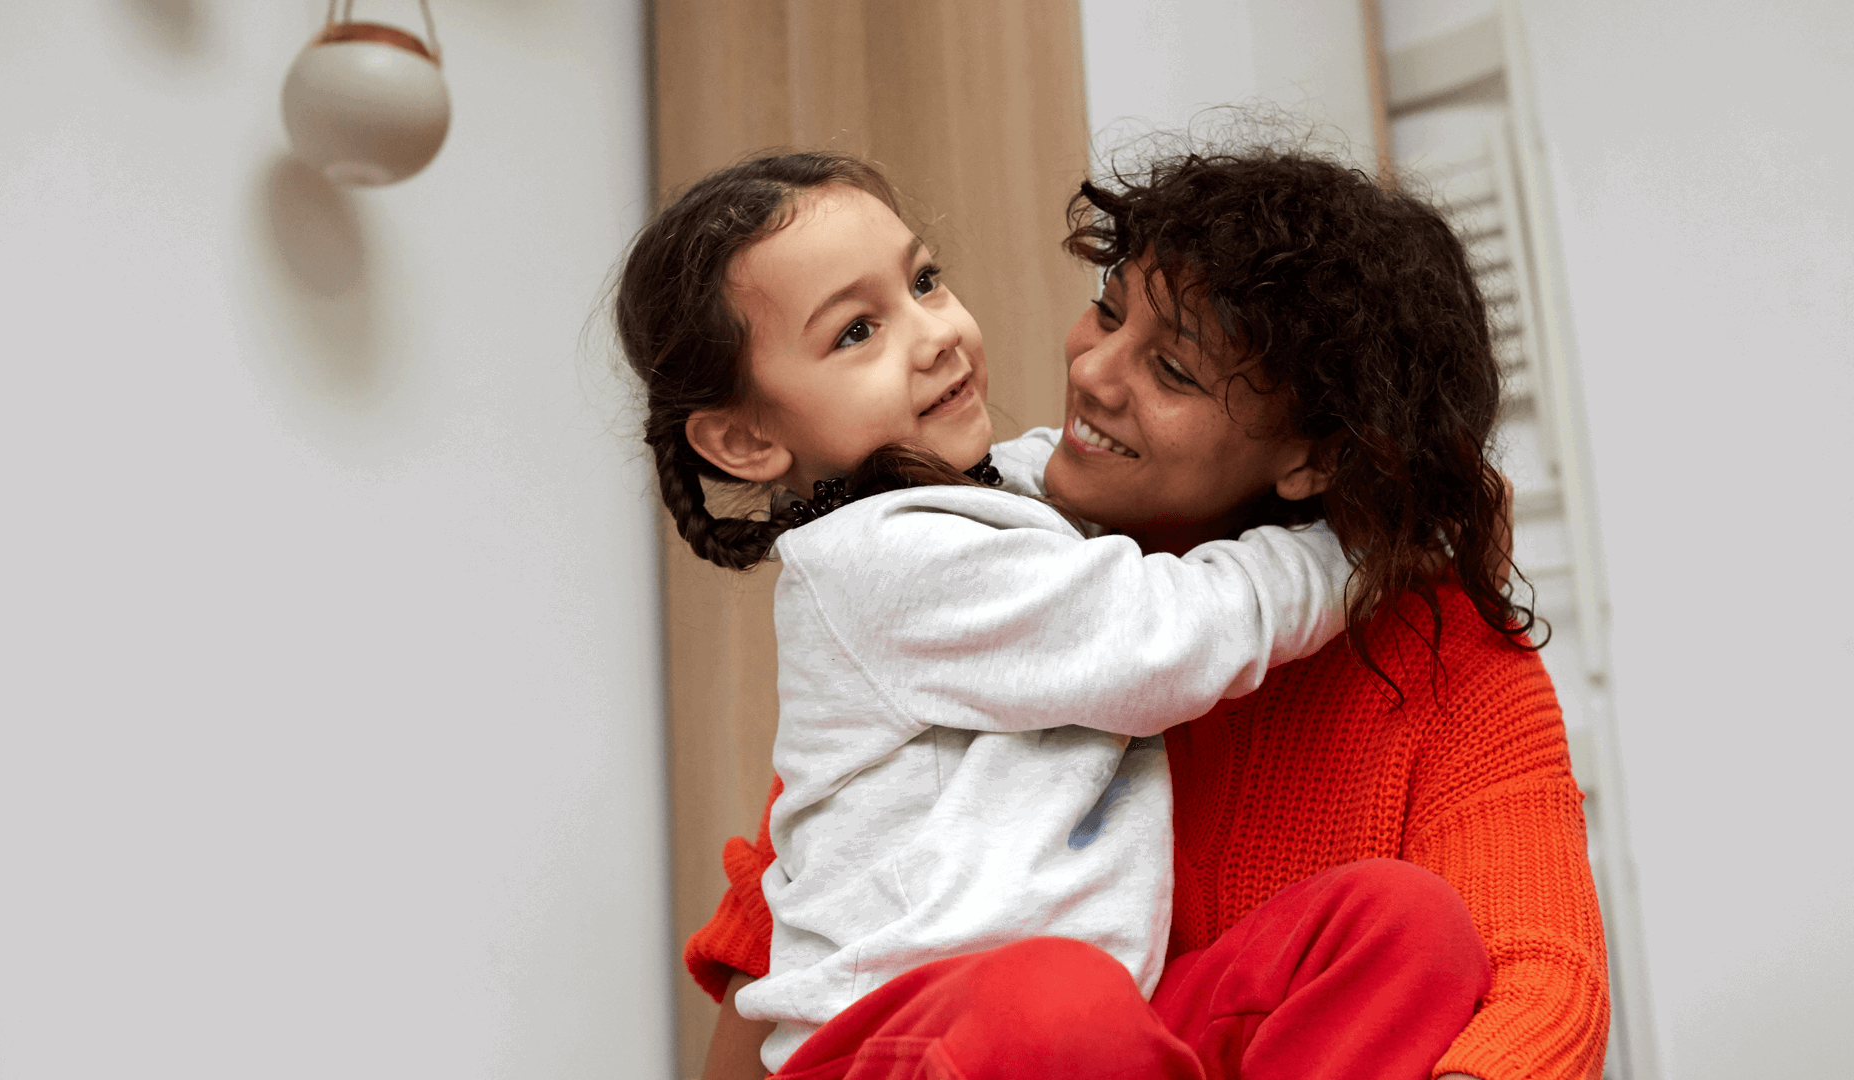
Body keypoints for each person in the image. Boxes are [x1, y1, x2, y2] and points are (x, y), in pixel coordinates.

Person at [686, 147, 1609, 1080]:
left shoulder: (1446, 662)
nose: (1092, 373)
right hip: (924, 1046)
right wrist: (1365, 546)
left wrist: (1409, 518)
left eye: (1171, 369)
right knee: (1059, 1005)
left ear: (1315, 459)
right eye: (1109, 309)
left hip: (1116, 1033)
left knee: (1399, 924)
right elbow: (766, 949)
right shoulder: (951, 574)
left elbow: (1545, 979)